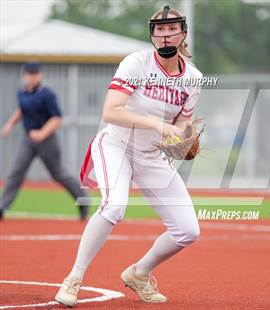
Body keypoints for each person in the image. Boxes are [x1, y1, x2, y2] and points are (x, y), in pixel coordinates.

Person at [55, 5, 202, 307]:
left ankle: (139, 273)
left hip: (150, 155)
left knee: (188, 230)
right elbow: (111, 111)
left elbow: (183, 124)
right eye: (159, 30)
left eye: (171, 28)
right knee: (114, 207)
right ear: (152, 34)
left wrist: (183, 139)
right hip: (116, 145)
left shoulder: (193, 78)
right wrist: (157, 125)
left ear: (183, 33)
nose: (164, 35)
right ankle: (74, 279)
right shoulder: (136, 63)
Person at [0, 62, 89, 221]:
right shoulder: (22, 92)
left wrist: (42, 133)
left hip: (47, 141)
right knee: (16, 173)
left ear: (40, 75)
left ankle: (83, 201)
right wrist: (9, 124)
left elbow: (57, 118)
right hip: (28, 140)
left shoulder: (47, 94)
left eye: (35, 74)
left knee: (59, 174)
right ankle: (2, 207)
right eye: (29, 74)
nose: (32, 77)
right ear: (25, 75)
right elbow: (22, 109)